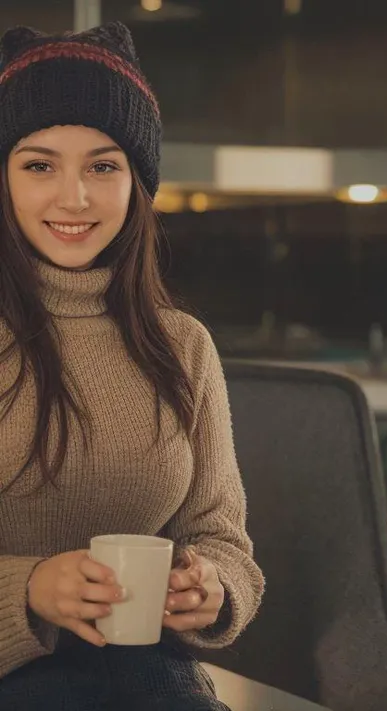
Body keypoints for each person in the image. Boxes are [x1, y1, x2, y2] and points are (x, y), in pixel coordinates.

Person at [0, 20, 264, 710]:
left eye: (103, 165)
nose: (74, 197)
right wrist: (28, 589)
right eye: (38, 164)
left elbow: (223, 536)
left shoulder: (183, 346)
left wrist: (212, 586)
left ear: (137, 182)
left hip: (154, 682)